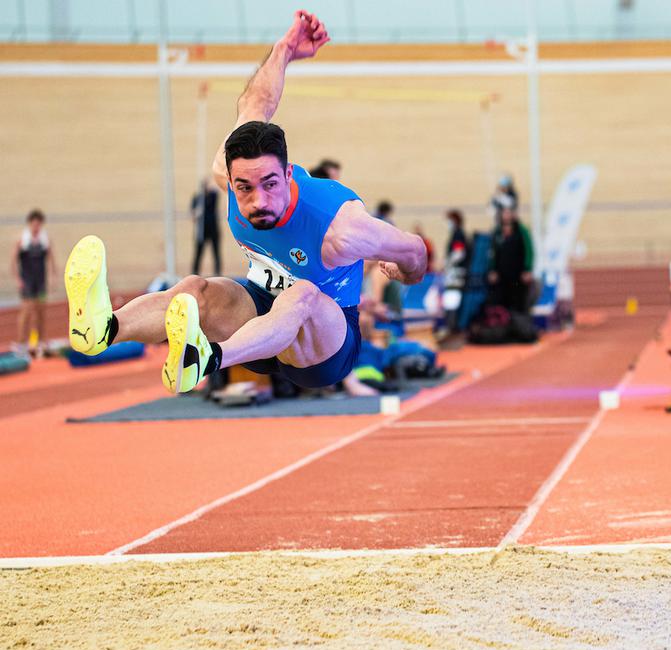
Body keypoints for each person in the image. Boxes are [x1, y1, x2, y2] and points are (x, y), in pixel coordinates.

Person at [63, 10, 426, 394]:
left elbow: (415, 252)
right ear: (231, 179)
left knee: (302, 294)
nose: (257, 201)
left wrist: (396, 269)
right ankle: (104, 328)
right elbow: (256, 104)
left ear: (288, 175)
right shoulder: (228, 170)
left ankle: (207, 359)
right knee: (195, 290)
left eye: (270, 184)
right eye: (244, 188)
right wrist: (284, 49)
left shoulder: (341, 227)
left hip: (323, 349)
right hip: (259, 321)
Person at [11, 209, 56, 357]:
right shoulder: (21, 240)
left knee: (41, 311)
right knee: (26, 312)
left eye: (38, 224)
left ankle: (42, 342)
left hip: (40, 282)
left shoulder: (45, 240)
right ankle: (21, 343)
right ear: (30, 224)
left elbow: (51, 260)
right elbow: (13, 261)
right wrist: (18, 279)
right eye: (34, 224)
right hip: (27, 282)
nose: (36, 227)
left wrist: (52, 277)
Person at [488, 207, 534, 313]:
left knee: (518, 302)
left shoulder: (522, 231)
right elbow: (492, 253)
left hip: (518, 276)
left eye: (509, 212)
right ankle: (503, 326)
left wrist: (527, 269)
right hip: (501, 276)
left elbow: (529, 251)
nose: (507, 215)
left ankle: (519, 326)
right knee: (501, 303)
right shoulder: (497, 232)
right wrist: (492, 269)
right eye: (505, 212)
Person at [190, 177, 222, 276]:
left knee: (216, 252)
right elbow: (193, 215)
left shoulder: (213, 196)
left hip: (213, 229)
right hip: (202, 230)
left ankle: (217, 273)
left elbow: (217, 191)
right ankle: (195, 273)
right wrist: (197, 212)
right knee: (198, 253)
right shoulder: (197, 198)